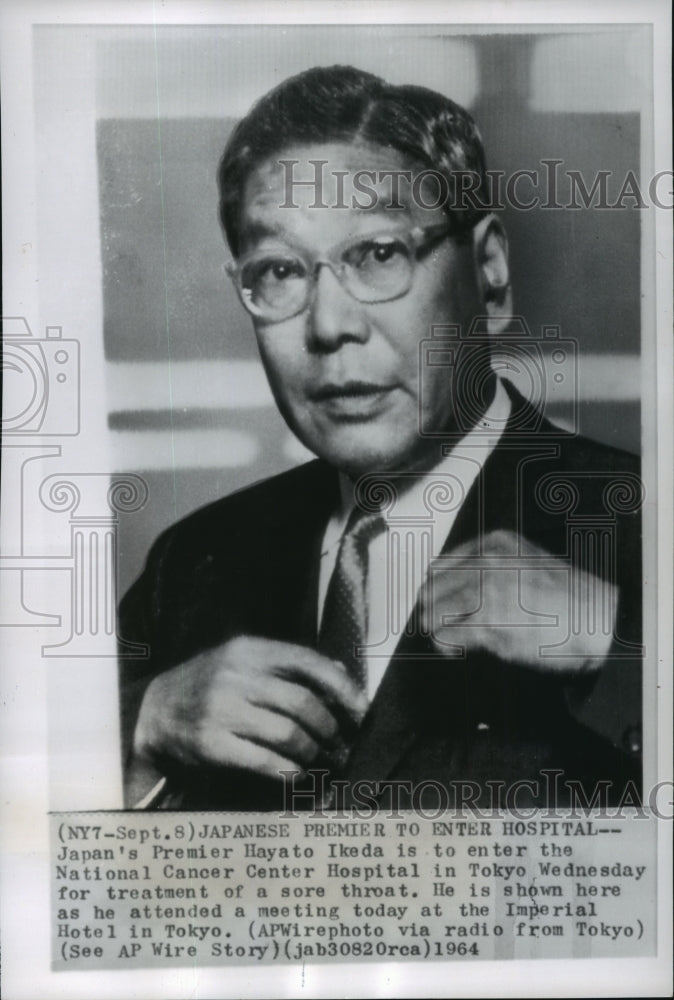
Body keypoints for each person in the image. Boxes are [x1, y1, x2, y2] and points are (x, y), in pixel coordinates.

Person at [118, 65, 642, 812]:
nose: (329, 325)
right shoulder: (195, 562)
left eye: (378, 255)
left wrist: (619, 650)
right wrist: (140, 728)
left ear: (488, 273)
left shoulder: (642, 524)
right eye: (279, 272)